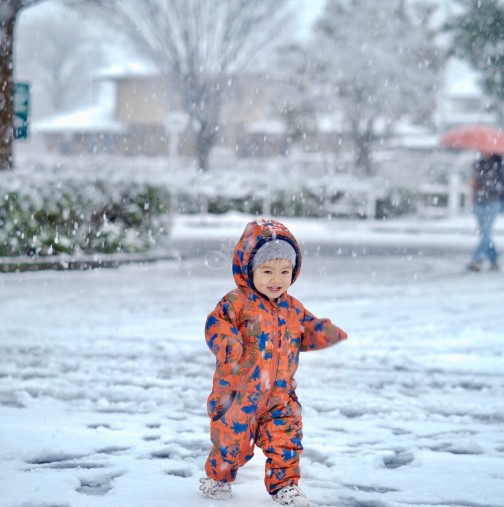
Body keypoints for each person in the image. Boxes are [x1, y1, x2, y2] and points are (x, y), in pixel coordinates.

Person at [199, 219, 347, 506]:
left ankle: (285, 486)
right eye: (267, 271)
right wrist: (228, 343)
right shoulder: (237, 303)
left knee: (286, 439)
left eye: (284, 271)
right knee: (232, 444)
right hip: (238, 396)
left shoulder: (293, 308)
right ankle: (218, 478)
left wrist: (323, 333)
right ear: (249, 270)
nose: (276, 279)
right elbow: (215, 325)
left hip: (279, 395)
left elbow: (306, 330)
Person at [467, 152, 504, 272]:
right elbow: (474, 181)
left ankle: (477, 260)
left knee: (486, 231)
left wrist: (488, 187)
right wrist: (475, 185)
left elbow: (498, 184)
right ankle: (493, 259)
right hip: (479, 201)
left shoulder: (499, 165)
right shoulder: (478, 163)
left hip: (493, 201)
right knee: (484, 232)